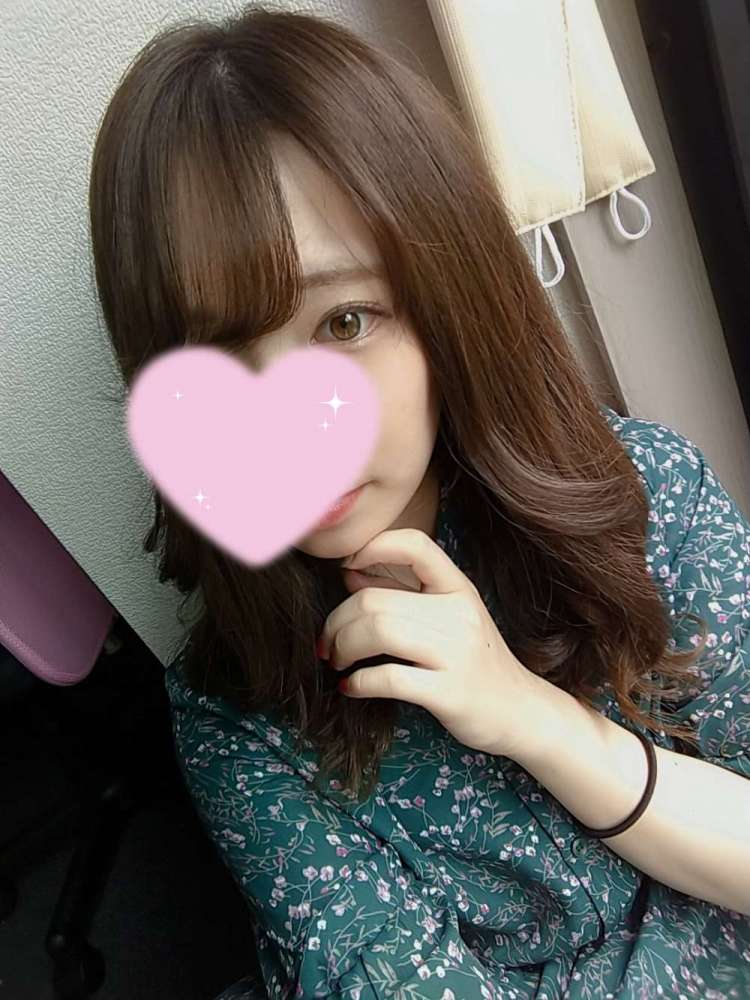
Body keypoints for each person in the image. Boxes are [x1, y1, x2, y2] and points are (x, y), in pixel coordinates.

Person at [88, 6, 750, 998]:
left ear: (448, 302)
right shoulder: (239, 714)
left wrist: (538, 721)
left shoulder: (647, 501)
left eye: (345, 321)